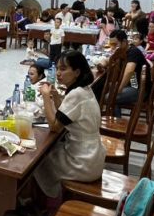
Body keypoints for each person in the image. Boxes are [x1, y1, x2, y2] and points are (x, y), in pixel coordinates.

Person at [31, 51, 105, 204]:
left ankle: (46, 202)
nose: (58, 73)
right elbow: (66, 114)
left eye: (63, 69)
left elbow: (55, 126)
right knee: (49, 149)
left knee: (36, 158)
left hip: (83, 162)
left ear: (77, 72)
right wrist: (56, 96)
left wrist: (45, 97)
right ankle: (42, 199)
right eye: (57, 68)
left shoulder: (76, 94)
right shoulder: (84, 89)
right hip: (93, 155)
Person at [109, 29, 147, 116]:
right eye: (111, 44)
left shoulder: (133, 52)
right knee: (105, 90)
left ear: (124, 42)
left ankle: (116, 122)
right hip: (132, 82)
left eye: (115, 44)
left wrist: (119, 89)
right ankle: (116, 118)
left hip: (138, 87)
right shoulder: (122, 51)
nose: (113, 47)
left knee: (110, 97)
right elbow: (110, 61)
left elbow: (129, 72)